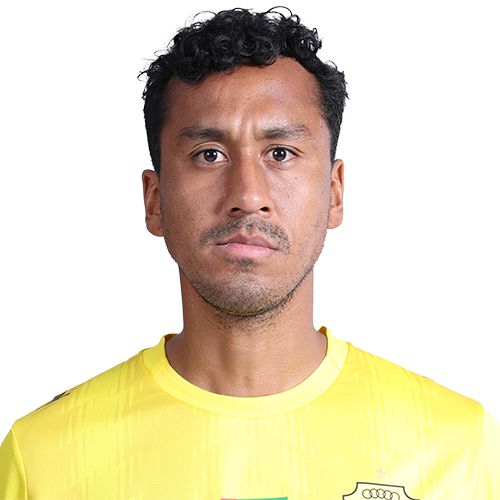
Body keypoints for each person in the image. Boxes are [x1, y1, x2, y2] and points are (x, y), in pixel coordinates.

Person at [1, 4, 498, 499]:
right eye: (209, 154)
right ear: (154, 201)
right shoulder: (44, 455)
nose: (247, 194)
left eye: (280, 153)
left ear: (335, 193)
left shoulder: (460, 445)